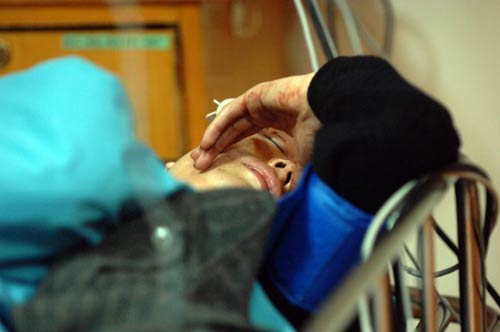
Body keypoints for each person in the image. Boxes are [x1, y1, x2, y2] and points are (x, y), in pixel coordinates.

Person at [0, 55, 460, 332]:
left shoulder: (287, 273)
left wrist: (303, 94)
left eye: (299, 181)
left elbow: (405, 131)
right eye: (269, 146)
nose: (284, 168)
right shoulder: (59, 225)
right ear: (168, 166)